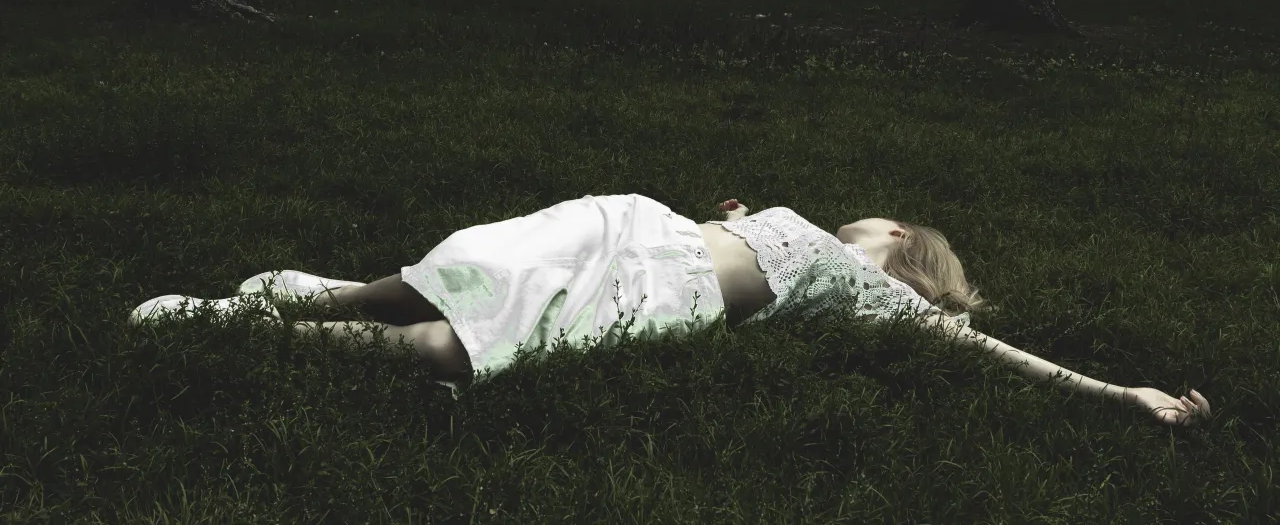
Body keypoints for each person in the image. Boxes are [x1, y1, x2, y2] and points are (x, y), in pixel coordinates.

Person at [128, 194, 1211, 427]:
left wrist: (1124, 392)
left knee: (451, 345)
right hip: (628, 227)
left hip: (660, 288)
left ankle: (273, 322)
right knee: (446, 275)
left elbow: (997, 354)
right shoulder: (798, 232)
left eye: (876, 225)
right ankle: (275, 300)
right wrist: (732, 215)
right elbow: (750, 238)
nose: (857, 221)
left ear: (908, 260)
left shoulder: (884, 299)